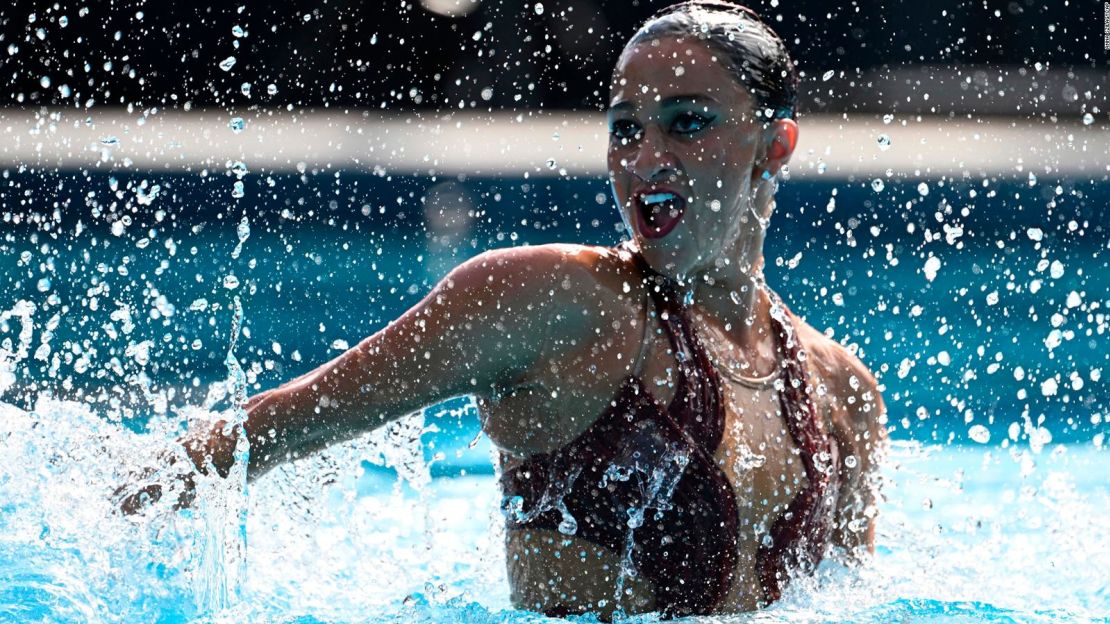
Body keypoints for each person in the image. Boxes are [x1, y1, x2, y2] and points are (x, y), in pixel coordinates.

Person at [123, 1, 887, 618]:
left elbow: (852, 603)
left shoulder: (839, 391)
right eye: (625, 129)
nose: (645, 156)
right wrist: (110, 516)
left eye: (687, 121)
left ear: (775, 143)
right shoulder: (556, 303)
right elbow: (285, 423)